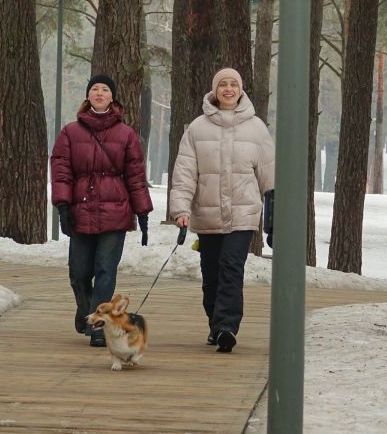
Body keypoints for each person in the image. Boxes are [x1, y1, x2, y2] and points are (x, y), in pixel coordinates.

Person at [169, 68, 274, 353]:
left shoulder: (257, 128)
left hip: (243, 214)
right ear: (215, 91)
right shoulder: (197, 128)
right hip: (207, 213)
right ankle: (215, 323)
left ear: (241, 90)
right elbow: (185, 173)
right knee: (212, 273)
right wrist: (180, 208)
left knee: (231, 266)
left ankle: (227, 326)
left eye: (233, 84)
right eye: (223, 85)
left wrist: (274, 217)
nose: (228, 89)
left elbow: (270, 174)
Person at [51, 74, 153, 347]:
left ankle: (99, 327)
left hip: (115, 211)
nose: (99, 93)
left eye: (105, 89)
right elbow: (61, 171)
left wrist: (142, 212)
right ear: (87, 97)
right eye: (94, 89)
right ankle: (87, 309)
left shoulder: (126, 134)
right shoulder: (70, 132)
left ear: (112, 97)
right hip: (81, 210)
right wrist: (62, 205)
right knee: (79, 272)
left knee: (106, 268)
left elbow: (135, 175)